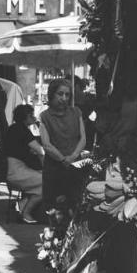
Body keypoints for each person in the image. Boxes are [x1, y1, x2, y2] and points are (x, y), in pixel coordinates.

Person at [39, 78, 86, 212]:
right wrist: (63, 159)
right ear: (52, 94)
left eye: (67, 95)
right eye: (60, 94)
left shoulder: (76, 112)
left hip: (75, 167)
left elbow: (83, 138)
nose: (64, 98)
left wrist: (73, 156)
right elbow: (46, 145)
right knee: (54, 209)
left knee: (74, 206)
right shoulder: (44, 116)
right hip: (54, 169)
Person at [4, 104, 44, 224]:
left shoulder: (15, 128)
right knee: (47, 182)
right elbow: (40, 150)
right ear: (24, 117)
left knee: (42, 177)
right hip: (15, 171)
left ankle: (21, 205)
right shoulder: (22, 129)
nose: (33, 116)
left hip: (10, 168)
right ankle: (26, 213)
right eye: (31, 114)